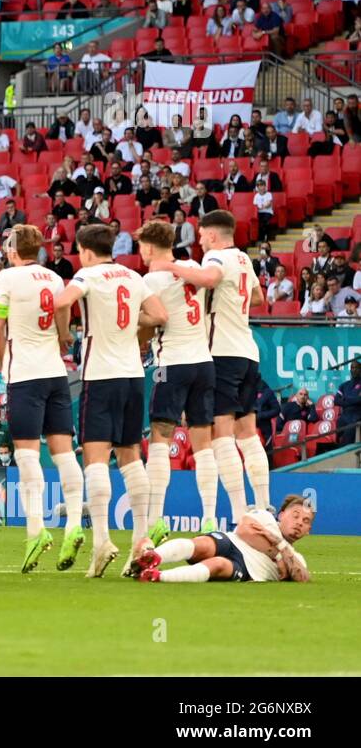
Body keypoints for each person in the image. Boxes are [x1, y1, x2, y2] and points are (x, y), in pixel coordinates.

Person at [53, 224, 168, 578]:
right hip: (133, 376)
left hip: (100, 376)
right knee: (131, 455)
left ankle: (102, 540)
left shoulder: (87, 275)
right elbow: (161, 316)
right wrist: (134, 324)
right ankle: (141, 540)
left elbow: (60, 301)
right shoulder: (133, 276)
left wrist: (64, 334)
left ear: (85, 251)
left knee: (95, 456)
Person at [0, 224, 86, 572]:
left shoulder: (7, 279)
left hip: (25, 375)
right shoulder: (54, 279)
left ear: (14, 250)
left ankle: (36, 531)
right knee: (63, 454)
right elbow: (64, 326)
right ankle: (74, 521)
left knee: (27, 455)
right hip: (56, 374)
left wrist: (3, 365)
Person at [162, 211, 269, 523]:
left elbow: (209, 279)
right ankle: (264, 507)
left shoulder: (217, 259)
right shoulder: (244, 260)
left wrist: (171, 266)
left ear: (211, 234)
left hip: (222, 353)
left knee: (222, 434)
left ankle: (239, 513)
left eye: (200, 234)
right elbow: (258, 297)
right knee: (247, 433)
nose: (199, 240)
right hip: (248, 352)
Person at [136, 220, 218, 567]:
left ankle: (156, 519)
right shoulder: (195, 268)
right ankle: (210, 519)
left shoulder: (149, 281)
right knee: (204, 444)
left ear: (149, 248)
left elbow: (157, 319)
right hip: (204, 362)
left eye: (141, 247)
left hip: (173, 364)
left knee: (159, 438)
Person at [137, 495, 313, 584]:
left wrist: (278, 543)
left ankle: (157, 576)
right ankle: (153, 557)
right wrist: (280, 556)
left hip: (248, 569)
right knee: (204, 545)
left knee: (218, 564)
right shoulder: (266, 517)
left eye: (305, 522)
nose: (299, 523)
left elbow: (302, 578)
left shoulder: (297, 557)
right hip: (232, 541)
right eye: (295, 516)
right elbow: (245, 531)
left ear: (308, 531)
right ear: (282, 514)